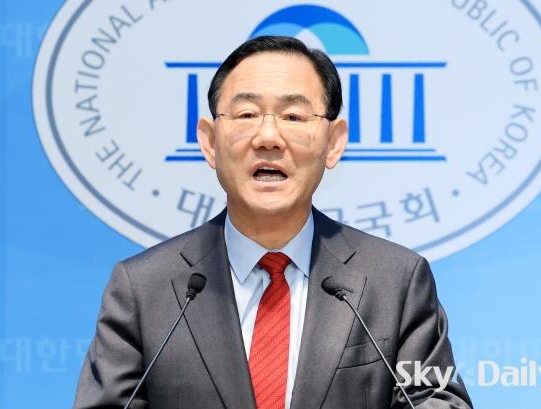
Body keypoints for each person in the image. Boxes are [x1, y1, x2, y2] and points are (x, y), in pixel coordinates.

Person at [73, 36, 473, 409]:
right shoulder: (144, 289)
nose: (268, 136)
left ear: (333, 142)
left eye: (293, 116)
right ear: (209, 142)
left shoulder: (396, 281)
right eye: (246, 114)